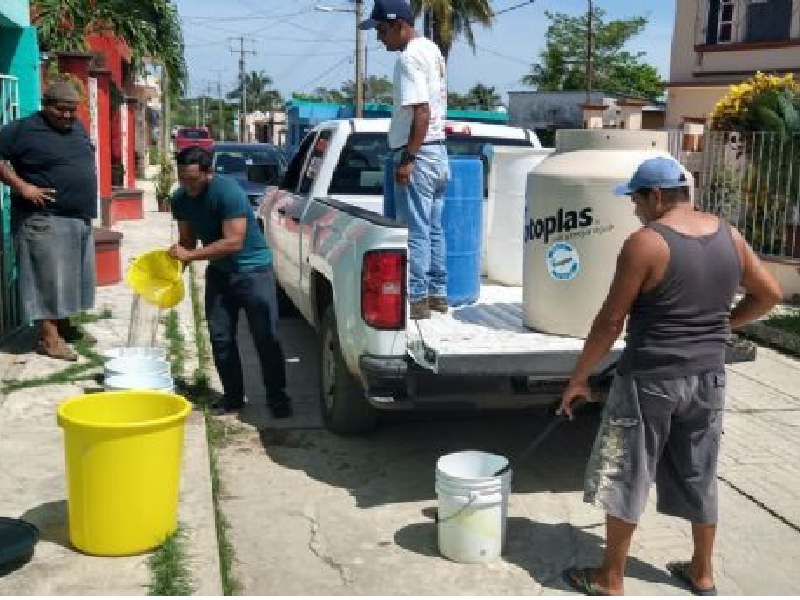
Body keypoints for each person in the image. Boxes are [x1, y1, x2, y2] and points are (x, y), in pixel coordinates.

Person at [558, 156, 782, 596]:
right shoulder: (729, 236)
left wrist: (578, 379)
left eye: (637, 199)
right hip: (708, 377)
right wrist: (723, 324)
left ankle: (611, 578)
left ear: (656, 196)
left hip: (650, 379)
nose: (635, 209)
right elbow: (769, 293)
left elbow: (610, 321)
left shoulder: (646, 243)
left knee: (628, 470)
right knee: (700, 471)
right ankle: (701, 572)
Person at [169, 146, 292, 418]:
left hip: (253, 272)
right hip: (220, 273)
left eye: (193, 179)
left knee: (265, 338)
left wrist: (191, 254)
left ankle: (278, 397)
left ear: (208, 173)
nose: (187, 186)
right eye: (182, 179)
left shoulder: (228, 193)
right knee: (221, 337)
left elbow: (234, 242)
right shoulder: (180, 199)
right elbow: (187, 241)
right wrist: (172, 265)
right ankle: (233, 397)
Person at [361, 0, 450, 320]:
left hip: (420, 151)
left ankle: (418, 298)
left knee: (416, 229)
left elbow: (421, 111)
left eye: (382, 30)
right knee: (435, 227)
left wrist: (408, 157)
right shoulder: (431, 49)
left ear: (399, 25)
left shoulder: (409, 58)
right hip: (439, 151)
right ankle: (438, 293)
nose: (379, 38)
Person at [0, 81, 98, 361]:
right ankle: (49, 338)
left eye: (72, 110)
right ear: (45, 105)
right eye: (60, 110)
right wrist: (22, 187)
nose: (67, 116)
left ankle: (64, 327)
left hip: (77, 216)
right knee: (46, 279)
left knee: (70, 278)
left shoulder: (76, 127)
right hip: (43, 218)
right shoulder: (24, 129)